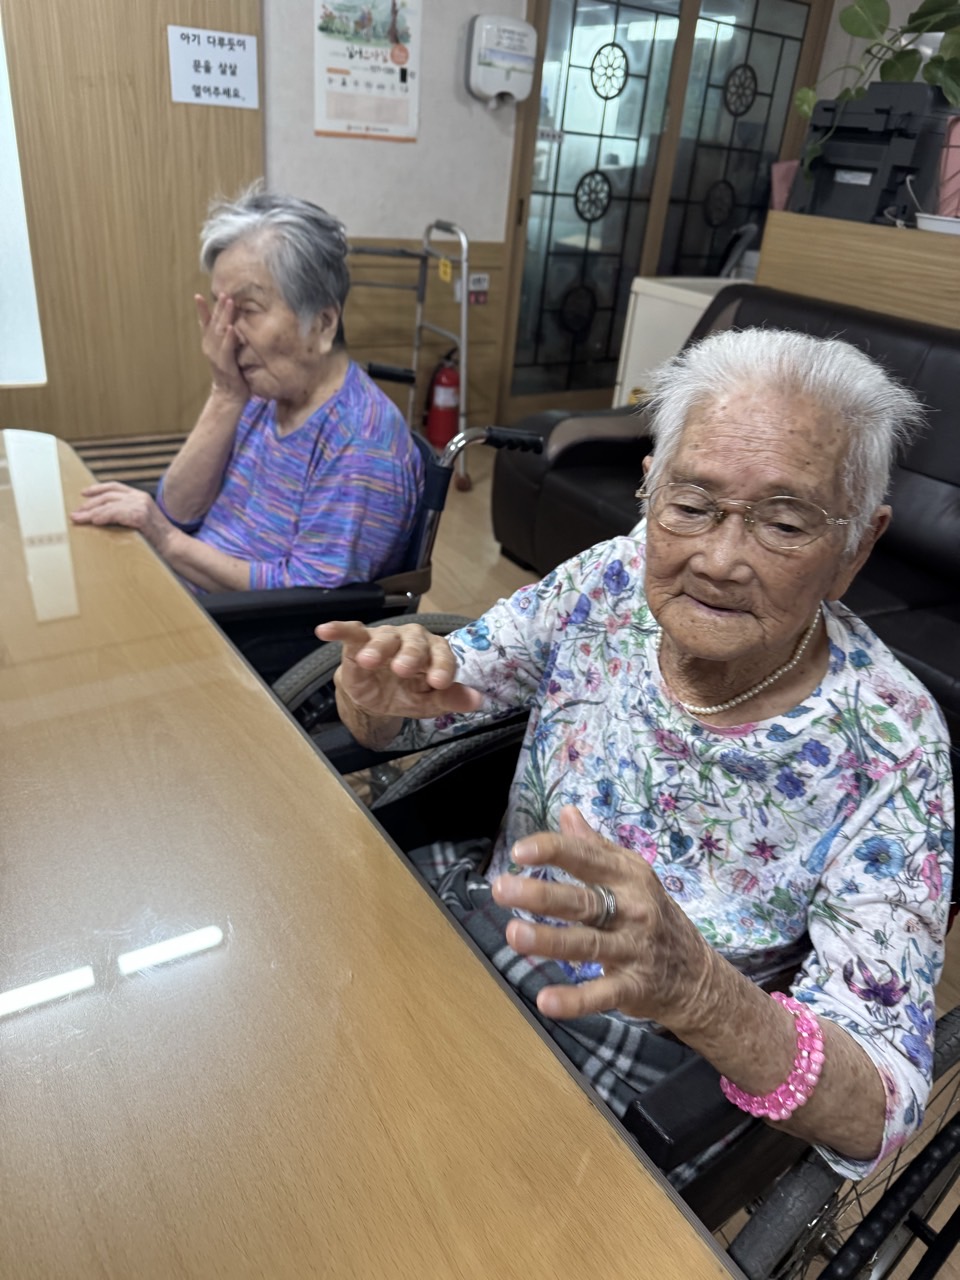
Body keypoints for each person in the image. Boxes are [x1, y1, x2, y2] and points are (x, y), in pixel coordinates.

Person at [316, 327, 954, 1183]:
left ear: (856, 547)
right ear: (650, 488)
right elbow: (417, 711)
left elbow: (880, 1102)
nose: (720, 560)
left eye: (784, 522)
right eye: (691, 505)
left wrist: (700, 991)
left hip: (646, 1061)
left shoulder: (892, 745)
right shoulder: (609, 581)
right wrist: (376, 694)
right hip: (479, 919)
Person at [70, 188, 423, 593]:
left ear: (323, 323)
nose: (225, 334)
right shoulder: (262, 393)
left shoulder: (361, 442)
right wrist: (225, 394)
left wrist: (166, 540)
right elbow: (178, 509)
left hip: (237, 624)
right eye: (222, 310)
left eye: (247, 310)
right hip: (188, 589)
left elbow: (308, 597)